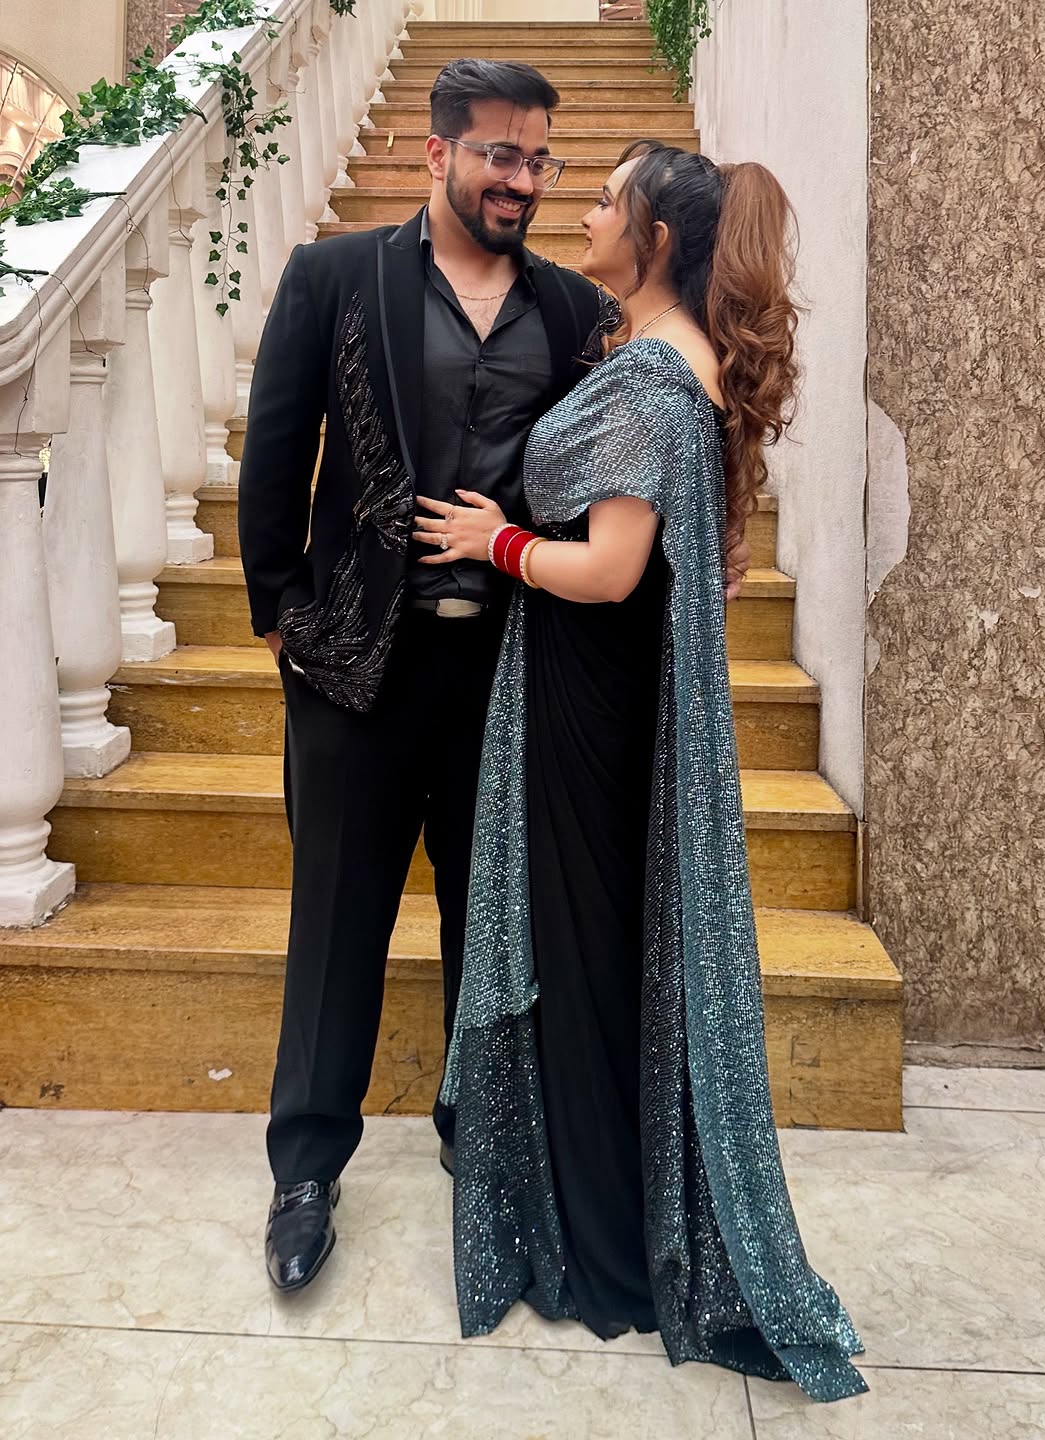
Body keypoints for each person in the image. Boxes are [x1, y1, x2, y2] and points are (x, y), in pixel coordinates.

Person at [238, 63, 756, 1295]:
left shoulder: (580, 309)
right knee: (335, 926)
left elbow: (657, 428)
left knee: (496, 920)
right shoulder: (333, 276)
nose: (523, 181)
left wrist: (723, 522)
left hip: (512, 675)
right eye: (500, 156)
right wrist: (282, 616)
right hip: (355, 673)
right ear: (438, 154)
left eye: (540, 161)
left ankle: (480, 1128)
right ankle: (306, 1169)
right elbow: (275, 448)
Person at [417, 141, 867, 1402]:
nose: (586, 216)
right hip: (608, 694)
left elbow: (613, 569)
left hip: (590, 698)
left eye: (607, 201)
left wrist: (497, 542)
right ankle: (597, 1211)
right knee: (594, 950)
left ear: (657, 239)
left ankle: (602, 1246)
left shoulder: (661, 377)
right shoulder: (668, 356)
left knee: (579, 953)